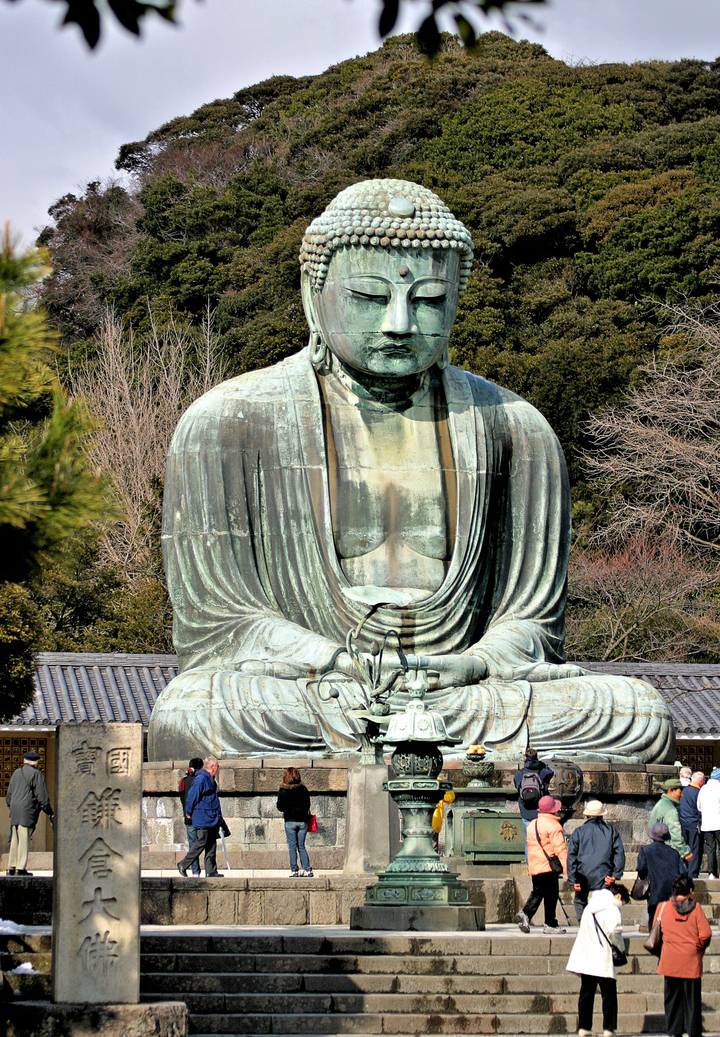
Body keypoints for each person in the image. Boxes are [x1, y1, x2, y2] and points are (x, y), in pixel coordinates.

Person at [147, 179, 674, 764]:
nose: (399, 324)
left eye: (426, 301)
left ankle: (399, 733)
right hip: (318, 684)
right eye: (371, 298)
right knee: (196, 711)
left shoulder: (515, 428)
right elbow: (220, 623)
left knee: (636, 711)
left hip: (466, 690)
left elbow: (532, 622)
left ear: (455, 302)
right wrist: (336, 661)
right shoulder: (230, 422)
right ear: (312, 294)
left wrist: (474, 662)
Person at [566, 882, 630, 1037]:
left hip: (587, 956)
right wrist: (621, 948)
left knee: (586, 993)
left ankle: (584, 1028)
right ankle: (609, 1029)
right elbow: (615, 932)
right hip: (603, 957)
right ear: (619, 896)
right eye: (623, 903)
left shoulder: (590, 906)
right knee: (609, 995)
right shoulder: (612, 909)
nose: (621, 906)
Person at [654, 873, 712, 1037]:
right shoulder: (697, 908)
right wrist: (697, 946)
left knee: (672, 999)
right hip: (690, 960)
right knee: (692, 1001)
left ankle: (674, 1032)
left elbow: (656, 933)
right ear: (691, 891)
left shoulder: (663, 907)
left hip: (670, 959)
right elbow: (706, 934)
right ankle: (693, 1032)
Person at [516, 794, 567, 934]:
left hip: (535, 865)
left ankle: (528, 915)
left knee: (538, 891)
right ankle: (548, 922)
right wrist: (567, 867)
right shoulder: (554, 826)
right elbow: (560, 848)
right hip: (548, 865)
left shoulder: (533, 824)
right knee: (551, 894)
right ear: (553, 810)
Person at [567, 800, 625, 922]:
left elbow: (571, 856)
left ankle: (584, 926)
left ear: (586, 815)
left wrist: (572, 879)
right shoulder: (612, 832)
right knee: (605, 901)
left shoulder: (578, 832)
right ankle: (602, 926)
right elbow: (619, 854)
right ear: (602, 815)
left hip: (583, 873)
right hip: (604, 874)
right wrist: (615, 875)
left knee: (580, 901)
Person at [5, 751, 53, 877]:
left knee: (15, 839)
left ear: (24, 761)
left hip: (15, 810)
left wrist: (12, 808)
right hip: (27, 810)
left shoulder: (16, 773)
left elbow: (9, 795)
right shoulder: (36, 774)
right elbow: (42, 796)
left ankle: (11, 867)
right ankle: (20, 868)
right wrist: (49, 811)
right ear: (36, 763)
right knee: (24, 838)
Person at [177, 755, 223, 878]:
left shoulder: (210, 779)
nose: (218, 769)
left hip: (211, 817)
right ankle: (183, 864)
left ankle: (211, 871)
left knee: (211, 845)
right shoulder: (201, 779)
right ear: (212, 767)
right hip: (203, 817)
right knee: (201, 842)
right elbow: (192, 796)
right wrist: (189, 812)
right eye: (217, 766)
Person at [636, 822, 687, 929]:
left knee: (654, 924)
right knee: (670, 926)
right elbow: (683, 872)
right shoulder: (674, 853)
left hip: (654, 892)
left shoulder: (645, 850)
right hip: (672, 895)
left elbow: (641, 869)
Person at [277, 768, 313, 878]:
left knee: (292, 847)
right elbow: (307, 805)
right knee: (301, 846)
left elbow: (279, 807)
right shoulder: (303, 789)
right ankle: (307, 869)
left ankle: (294, 870)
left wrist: (289, 809)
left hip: (290, 822)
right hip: (302, 822)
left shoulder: (283, 790)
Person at [514, 748, 554, 843]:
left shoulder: (520, 774)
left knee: (529, 842)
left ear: (525, 758)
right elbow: (551, 772)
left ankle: (529, 858)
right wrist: (542, 764)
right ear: (537, 757)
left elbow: (517, 787)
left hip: (526, 810)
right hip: (541, 812)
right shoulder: (543, 772)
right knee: (543, 841)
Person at [650, 779, 691, 863]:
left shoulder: (660, 804)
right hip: (668, 853)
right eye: (680, 792)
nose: (682, 795)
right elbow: (675, 834)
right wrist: (685, 851)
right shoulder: (670, 810)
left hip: (657, 850)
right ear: (670, 791)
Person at [179, 756, 204, 876]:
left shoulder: (183, 781)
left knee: (193, 845)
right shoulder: (201, 780)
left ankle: (195, 871)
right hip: (200, 817)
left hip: (188, 817)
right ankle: (208, 870)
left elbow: (182, 799)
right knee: (204, 843)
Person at [679, 771, 705, 879]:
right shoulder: (699, 793)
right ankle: (692, 873)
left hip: (683, 822)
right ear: (701, 782)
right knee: (695, 849)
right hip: (694, 824)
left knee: (684, 848)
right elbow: (700, 810)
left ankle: (683, 871)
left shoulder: (684, 791)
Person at [697, 766, 720, 879]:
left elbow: (699, 807)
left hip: (707, 824)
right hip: (719, 823)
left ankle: (712, 873)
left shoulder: (703, 789)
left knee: (710, 849)